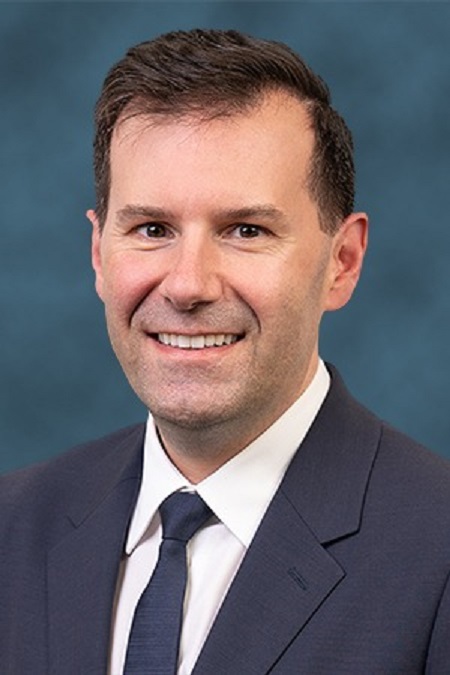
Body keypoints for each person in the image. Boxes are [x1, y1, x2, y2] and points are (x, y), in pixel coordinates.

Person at [1, 28, 450, 675]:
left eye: (246, 230)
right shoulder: (12, 529)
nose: (188, 285)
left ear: (343, 262)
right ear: (99, 253)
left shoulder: (435, 552)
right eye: (151, 229)